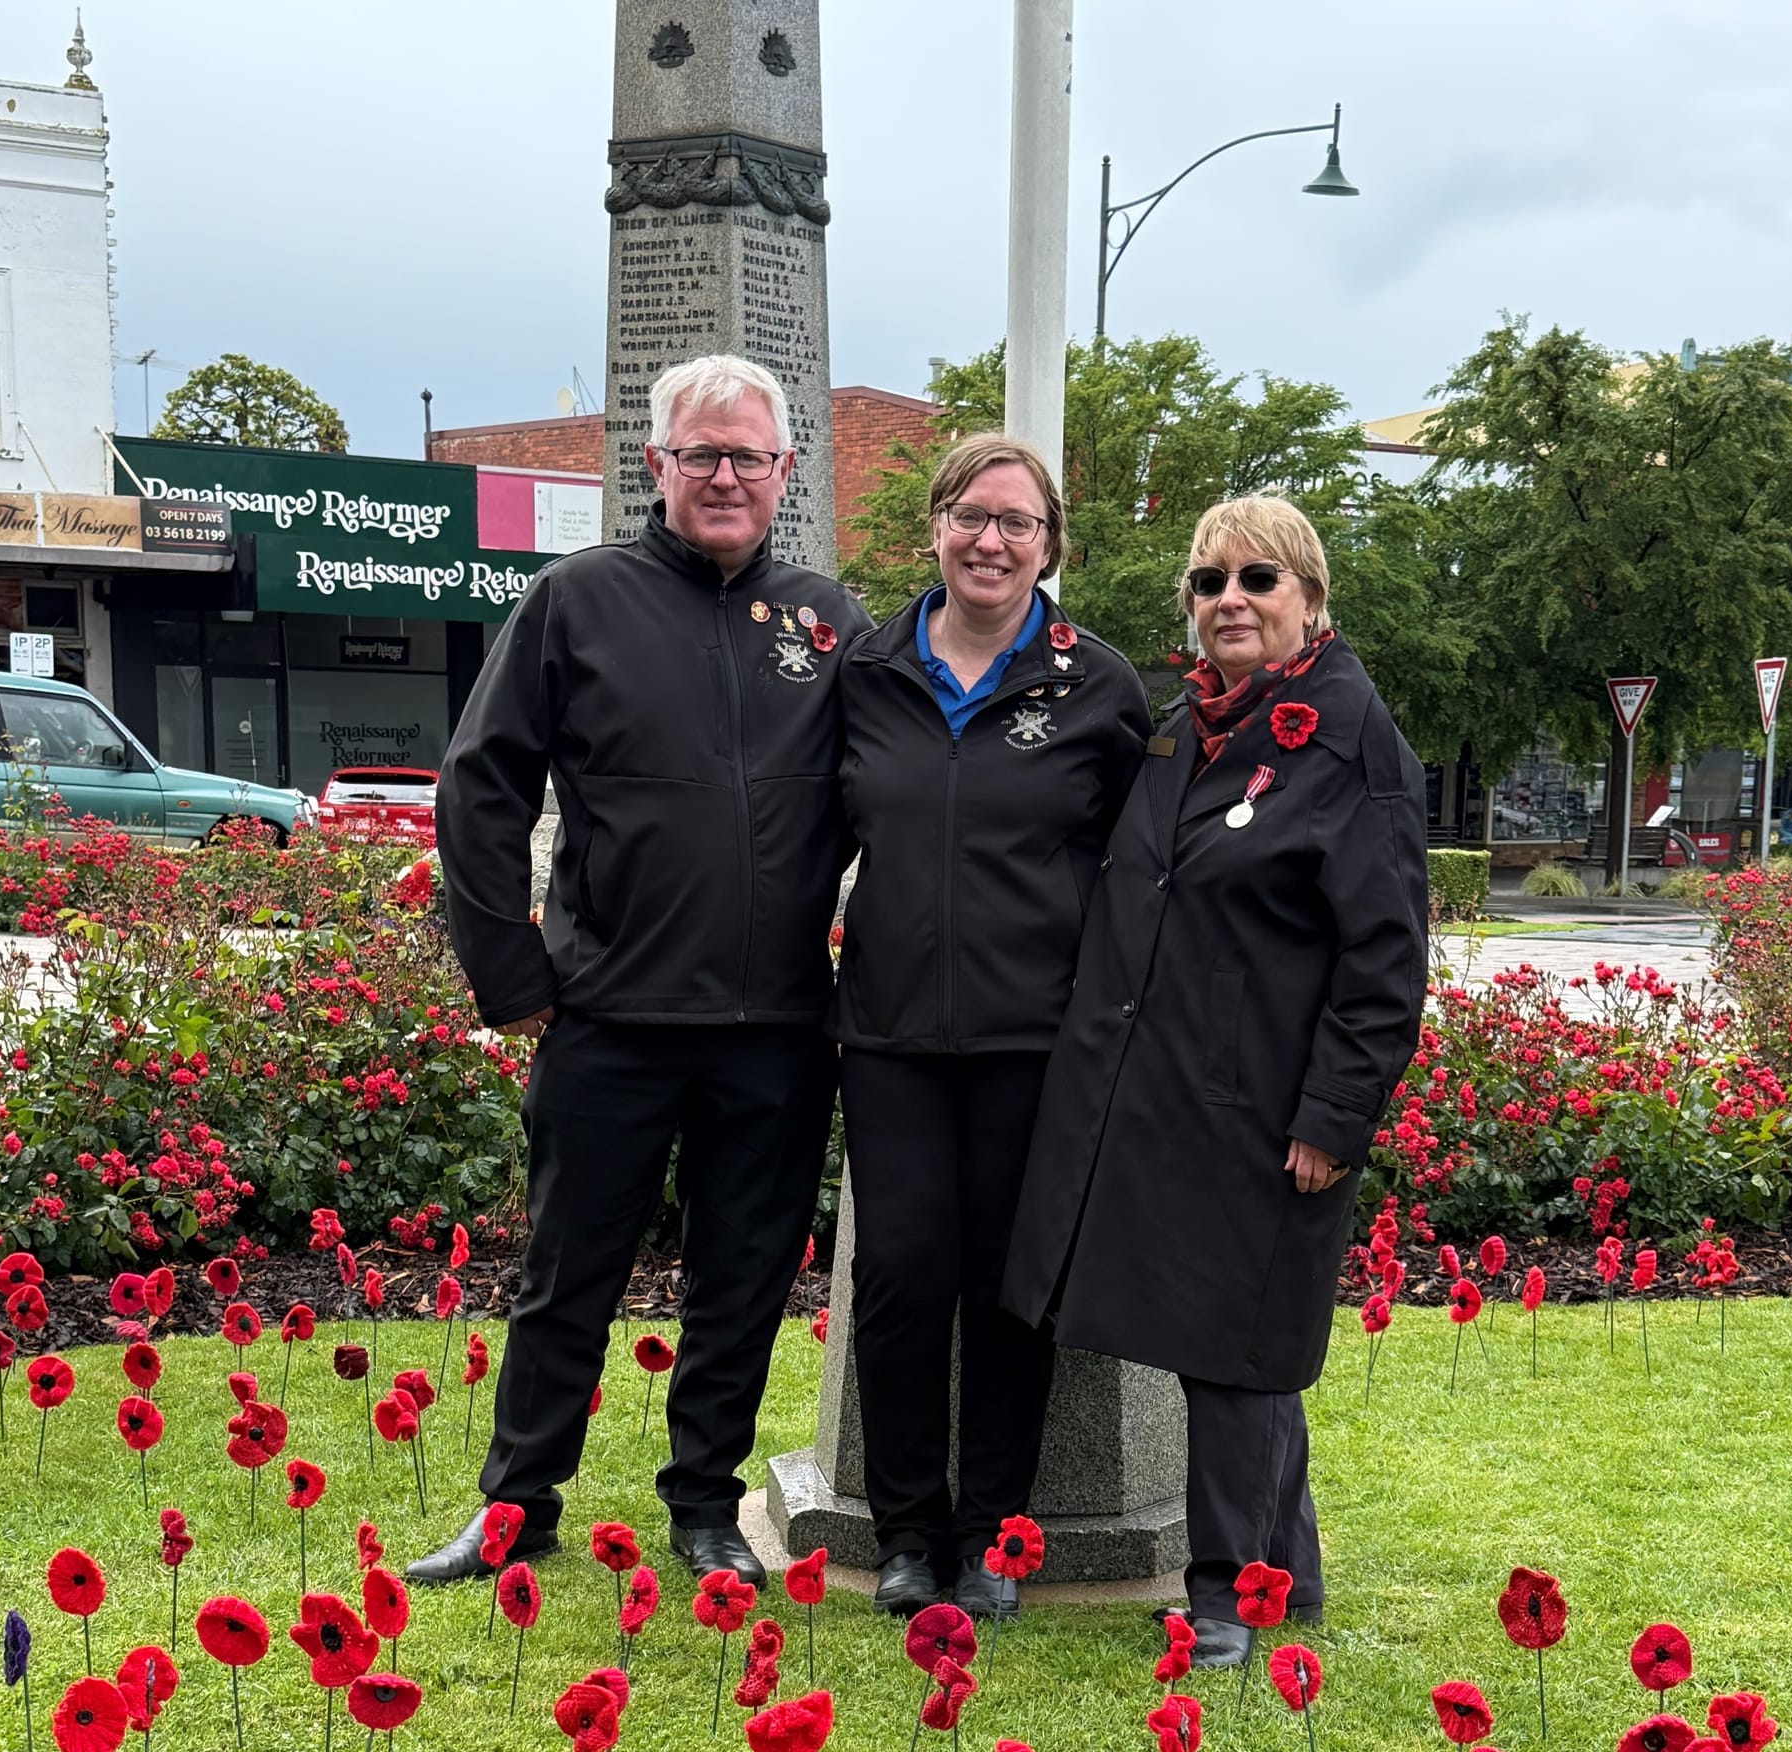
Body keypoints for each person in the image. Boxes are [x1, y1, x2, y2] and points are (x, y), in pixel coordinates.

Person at [411, 354, 869, 1589]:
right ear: (655, 466)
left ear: (786, 472)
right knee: (567, 1271)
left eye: (749, 457)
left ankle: (705, 1509)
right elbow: (480, 787)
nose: (724, 476)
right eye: (698, 454)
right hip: (606, 1011)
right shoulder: (573, 603)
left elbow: (912, 795)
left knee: (742, 1282)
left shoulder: (831, 624)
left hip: (775, 1026)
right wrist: (508, 971)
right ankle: (517, 1507)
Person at [1002, 494, 1428, 1665]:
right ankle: (1279, 1577)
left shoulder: (1346, 737)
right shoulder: (1186, 726)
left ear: (1309, 598)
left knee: (1237, 1351)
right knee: (1234, 1349)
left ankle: (1225, 1603)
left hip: (1266, 1109)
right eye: (1208, 582)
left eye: (1256, 580)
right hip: (1162, 1093)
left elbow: (1383, 958)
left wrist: (1333, 1117)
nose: (1228, 601)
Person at [835, 434, 1151, 1616]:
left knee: (1012, 1291)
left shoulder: (1098, 684)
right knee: (903, 1278)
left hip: (1039, 1043)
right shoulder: (863, 671)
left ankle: (993, 1538)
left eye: (1017, 523)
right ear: (935, 526)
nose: (991, 540)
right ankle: (909, 1534)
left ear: (1049, 546)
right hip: (890, 1038)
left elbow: (1138, 875)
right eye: (972, 516)